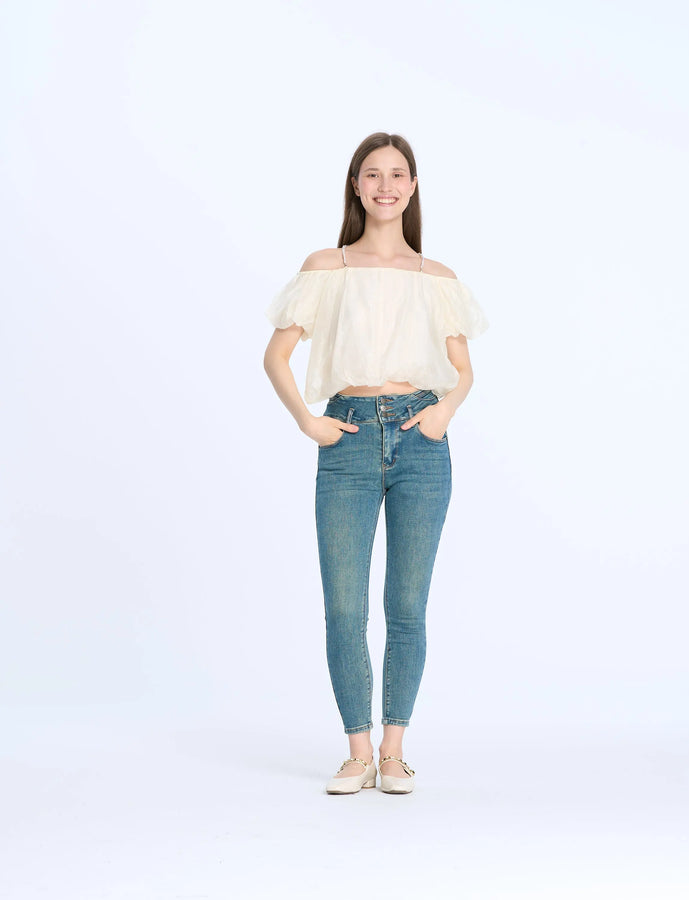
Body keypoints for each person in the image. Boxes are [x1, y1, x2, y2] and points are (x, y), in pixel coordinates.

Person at [263, 132, 488, 794]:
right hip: (349, 438)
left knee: (407, 605)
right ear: (356, 186)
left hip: (422, 441)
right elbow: (276, 356)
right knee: (344, 606)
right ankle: (356, 751)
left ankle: (394, 752)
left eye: (397, 174)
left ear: (412, 187)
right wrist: (308, 420)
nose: (385, 185)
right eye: (372, 174)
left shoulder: (437, 278)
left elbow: (464, 370)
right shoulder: (327, 267)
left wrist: (445, 411)